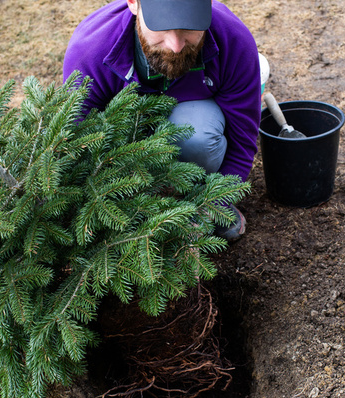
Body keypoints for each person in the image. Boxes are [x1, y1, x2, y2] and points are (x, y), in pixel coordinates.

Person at [63, 0, 262, 242]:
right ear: (134, 4)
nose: (176, 46)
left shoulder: (233, 40)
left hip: (190, 121)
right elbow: (78, 143)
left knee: (198, 138)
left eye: (189, 28)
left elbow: (243, 139)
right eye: (162, 28)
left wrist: (216, 201)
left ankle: (198, 192)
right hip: (125, 140)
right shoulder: (91, 51)